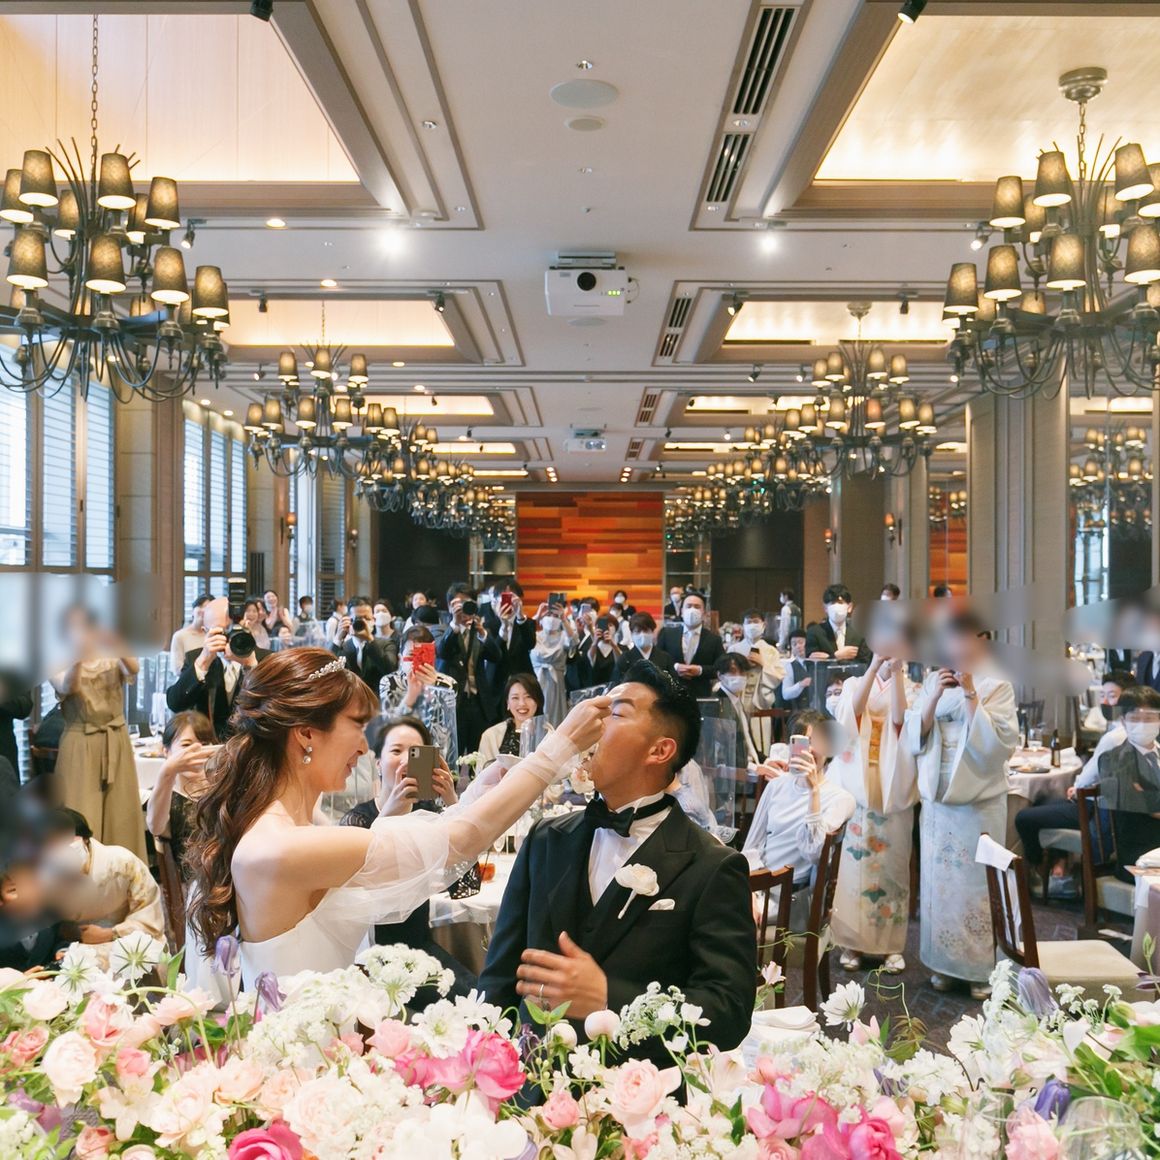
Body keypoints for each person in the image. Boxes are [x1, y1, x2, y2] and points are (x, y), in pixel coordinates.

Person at [187, 647, 609, 983]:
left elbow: (431, 842)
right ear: (307, 734)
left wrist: (479, 790)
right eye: (357, 725)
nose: (363, 747)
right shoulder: (279, 846)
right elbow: (456, 842)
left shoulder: (296, 830)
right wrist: (558, 748)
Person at [479, 663, 756, 1060]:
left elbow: (728, 1011)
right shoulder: (546, 839)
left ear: (659, 750)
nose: (591, 724)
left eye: (616, 713)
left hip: (641, 1087)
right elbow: (498, 981)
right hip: (534, 1080)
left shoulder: (712, 865)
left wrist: (609, 998)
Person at [906, 609, 1018, 1000]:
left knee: (976, 883)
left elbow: (999, 744)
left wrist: (970, 692)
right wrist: (934, 697)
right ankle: (942, 964)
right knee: (941, 884)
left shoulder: (997, 684)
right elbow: (912, 738)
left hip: (978, 799)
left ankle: (979, 968)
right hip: (939, 798)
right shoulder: (932, 682)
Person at [339, 717, 474, 1001]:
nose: (405, 761)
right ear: (378, 763)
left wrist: (453, 803)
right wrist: (389, 813)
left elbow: (466, 887)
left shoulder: (428, 816)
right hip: (372, 960)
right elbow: (350, 899)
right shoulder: (358, 820)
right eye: (396, 751)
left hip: (420, 949)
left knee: (480, 996)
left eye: (415, 753)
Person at [1014, 685, 1160, 885]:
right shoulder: (1114, 759)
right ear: (1123, 721)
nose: (1143, 724)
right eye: (1135, 718)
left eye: (1150, 718)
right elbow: (1144, 804)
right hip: (1139, 856)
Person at [829, 656, 917, 974]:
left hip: (893, 785)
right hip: (859, 783)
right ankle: (851, 942)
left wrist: (897, 674)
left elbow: (903, 723)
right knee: (855, 867)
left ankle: (891, 945)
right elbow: (848, 720)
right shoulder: (854, 683)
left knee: (893, 867)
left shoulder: (912, 688)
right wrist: (873, 667)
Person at [51, 606, 147, 861]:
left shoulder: (110, 652)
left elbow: (133, 668)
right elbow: (67, 686)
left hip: (116, 738)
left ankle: (123, 873)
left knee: (122, 814)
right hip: (79, 742)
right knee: (80, 809)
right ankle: (78, 874)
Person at [743, 709, 855, 885]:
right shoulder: (776, 786)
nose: (809, 750)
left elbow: (814, 853)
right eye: (802, 743)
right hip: (759, 885)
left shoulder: (841, 799)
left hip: (792, 892)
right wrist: (747, 885)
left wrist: (814, 791)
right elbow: (752, 845)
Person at [42, 807, 164, 950]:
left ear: (85, 840)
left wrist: (111, 933)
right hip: (74, 947)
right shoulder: (43, 881)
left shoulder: (122, 864)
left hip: (128, 943)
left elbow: (150, 918)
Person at [167, 598, 269, 742]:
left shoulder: (267, 659)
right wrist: (203, 662)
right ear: (205, 632)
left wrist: (251, 666)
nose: (229, 638)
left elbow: (275, 709)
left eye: (234, 629)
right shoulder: (196, 658)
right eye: (221, 632)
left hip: (253, 748)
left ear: (246, 626)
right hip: (209, 748)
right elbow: (176, 704)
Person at [145, 711, 218, 878]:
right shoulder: (166, 792)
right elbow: (155, 826)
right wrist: (167, 771)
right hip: (194, 881)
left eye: (204, 744)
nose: (196, 752)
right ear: (166, 751)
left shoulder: (221, 786)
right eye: (186, 745)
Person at [380, 624, 459, 764]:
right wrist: (410, 696)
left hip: (436, 754)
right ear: (400, 657)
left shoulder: (448, 684)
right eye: (412, 655)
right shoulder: (389, 682)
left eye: (423, 656)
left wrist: (432, 689)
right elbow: (389, 725)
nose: (416, 661)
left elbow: (447, 726)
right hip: (400, 754)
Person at [437, 591, 502, 753]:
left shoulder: (479, 631)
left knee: (478, 753)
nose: (465, 608)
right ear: (451, 606)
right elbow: (443, 652)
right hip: (455, 702)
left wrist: (482, 633)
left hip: (478, 702)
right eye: (460, 603)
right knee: (454, 752)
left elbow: (496, 656)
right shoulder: (444, 629)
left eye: (468, 603)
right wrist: (455, 624)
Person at [730, 608, 785, 752]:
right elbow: (726, 674)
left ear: (763, 625)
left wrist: (763, 664)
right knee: (739, 744)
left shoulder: (771, 650)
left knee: (762, 744)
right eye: (749, 622)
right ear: (743, 625)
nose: (752, 625)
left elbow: (779, 676)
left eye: (756, 622)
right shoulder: (734, 649)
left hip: (761, 702)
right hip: (739, 699)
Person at [658, 591, 725, 700]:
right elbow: (656, 662)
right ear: (682, 611)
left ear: (704, 614)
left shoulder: (714, 639)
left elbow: (721, 667)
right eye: (688, 606)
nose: (692, 610)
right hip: (671, 694)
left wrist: (700, 670)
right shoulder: (667, 634)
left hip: (701, 696)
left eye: (697, 607)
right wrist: (675, 668)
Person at [333, 596, 399, 692]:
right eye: (357, 619)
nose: (362, 622)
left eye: (366, 618)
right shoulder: (343, 647)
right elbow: (327, 672)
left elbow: (390, 671)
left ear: (373, 620)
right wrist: (337, 639)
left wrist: (370, 639)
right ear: (348, 621)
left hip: (377, 699)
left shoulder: (386, 644)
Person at [479, 674, 545, 766]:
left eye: (528, 696)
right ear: (508, 703)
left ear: (538, 701)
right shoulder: (491, 735)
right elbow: (483, 771)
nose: (522, 703)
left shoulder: (549, 735)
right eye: (515, 698)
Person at [530, 602, 576, 727]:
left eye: (555, 616)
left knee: (555, 717)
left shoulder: (564, 636)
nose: (551, 618)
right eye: (548, 614)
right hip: (536, 681)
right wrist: (537, 616)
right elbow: (522, 633)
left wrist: (564, 618)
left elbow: (574, 642)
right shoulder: (534, 636)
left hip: (556, 684)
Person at [805, 584, 872, 664]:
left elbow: (864, 665)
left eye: (840, 602)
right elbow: (811, 665)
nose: (836, 607)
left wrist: (827, 658)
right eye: (832, 603)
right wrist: (836, 656)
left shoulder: (859, 634)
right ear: (825, 608)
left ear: (849, 607)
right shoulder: (814, 633)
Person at [714, 653, 760, 768]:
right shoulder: (716, 704)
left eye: (743, 672)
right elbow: (722, 751)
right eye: (733, 672)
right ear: (720, 675)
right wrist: (753, 768)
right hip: (732, 770)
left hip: (749, 764)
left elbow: (747, 739)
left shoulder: (738, 701)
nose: (739, 676)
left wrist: (766, 760)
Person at [616, 612, 676, 680]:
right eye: (638, 631)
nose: (642, 635)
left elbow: (673, 683)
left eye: (646, 630)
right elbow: (617, 683)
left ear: (652, 632)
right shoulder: (625, 659)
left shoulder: (665, 658)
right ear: (632, 634)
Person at [1081, 671, 1134, 736]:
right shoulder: (1113, 725)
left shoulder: (1125, 734)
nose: (1104, 701)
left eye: (1112, 696)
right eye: (1102, 695)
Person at [169, 593, 212, 674]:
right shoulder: (179, 636)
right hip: (187, 680)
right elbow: (177, 668)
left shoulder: (213, 635)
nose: (203, 610)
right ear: (193, 611)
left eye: (208, 608)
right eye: (200, 606)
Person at [780, 629, 813, 711]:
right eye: (794, 644)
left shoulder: (816, 663)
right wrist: (800, 685)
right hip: (800, 711)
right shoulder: (789, 666)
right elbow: (785, 694)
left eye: (801, 642)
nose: (798, 646)